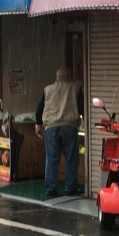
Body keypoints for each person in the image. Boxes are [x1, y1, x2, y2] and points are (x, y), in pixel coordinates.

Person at [35, 68, 83, 199]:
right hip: (69, 126)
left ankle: (51, 189)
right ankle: (71, 188)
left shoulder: (48, 89)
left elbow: (39, 109)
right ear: (70, 77)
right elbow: (81, 107)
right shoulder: (75, 88)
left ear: (56, 78)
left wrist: (38, 124)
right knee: (71, 159)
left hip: (51, 127)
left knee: (52, 159)